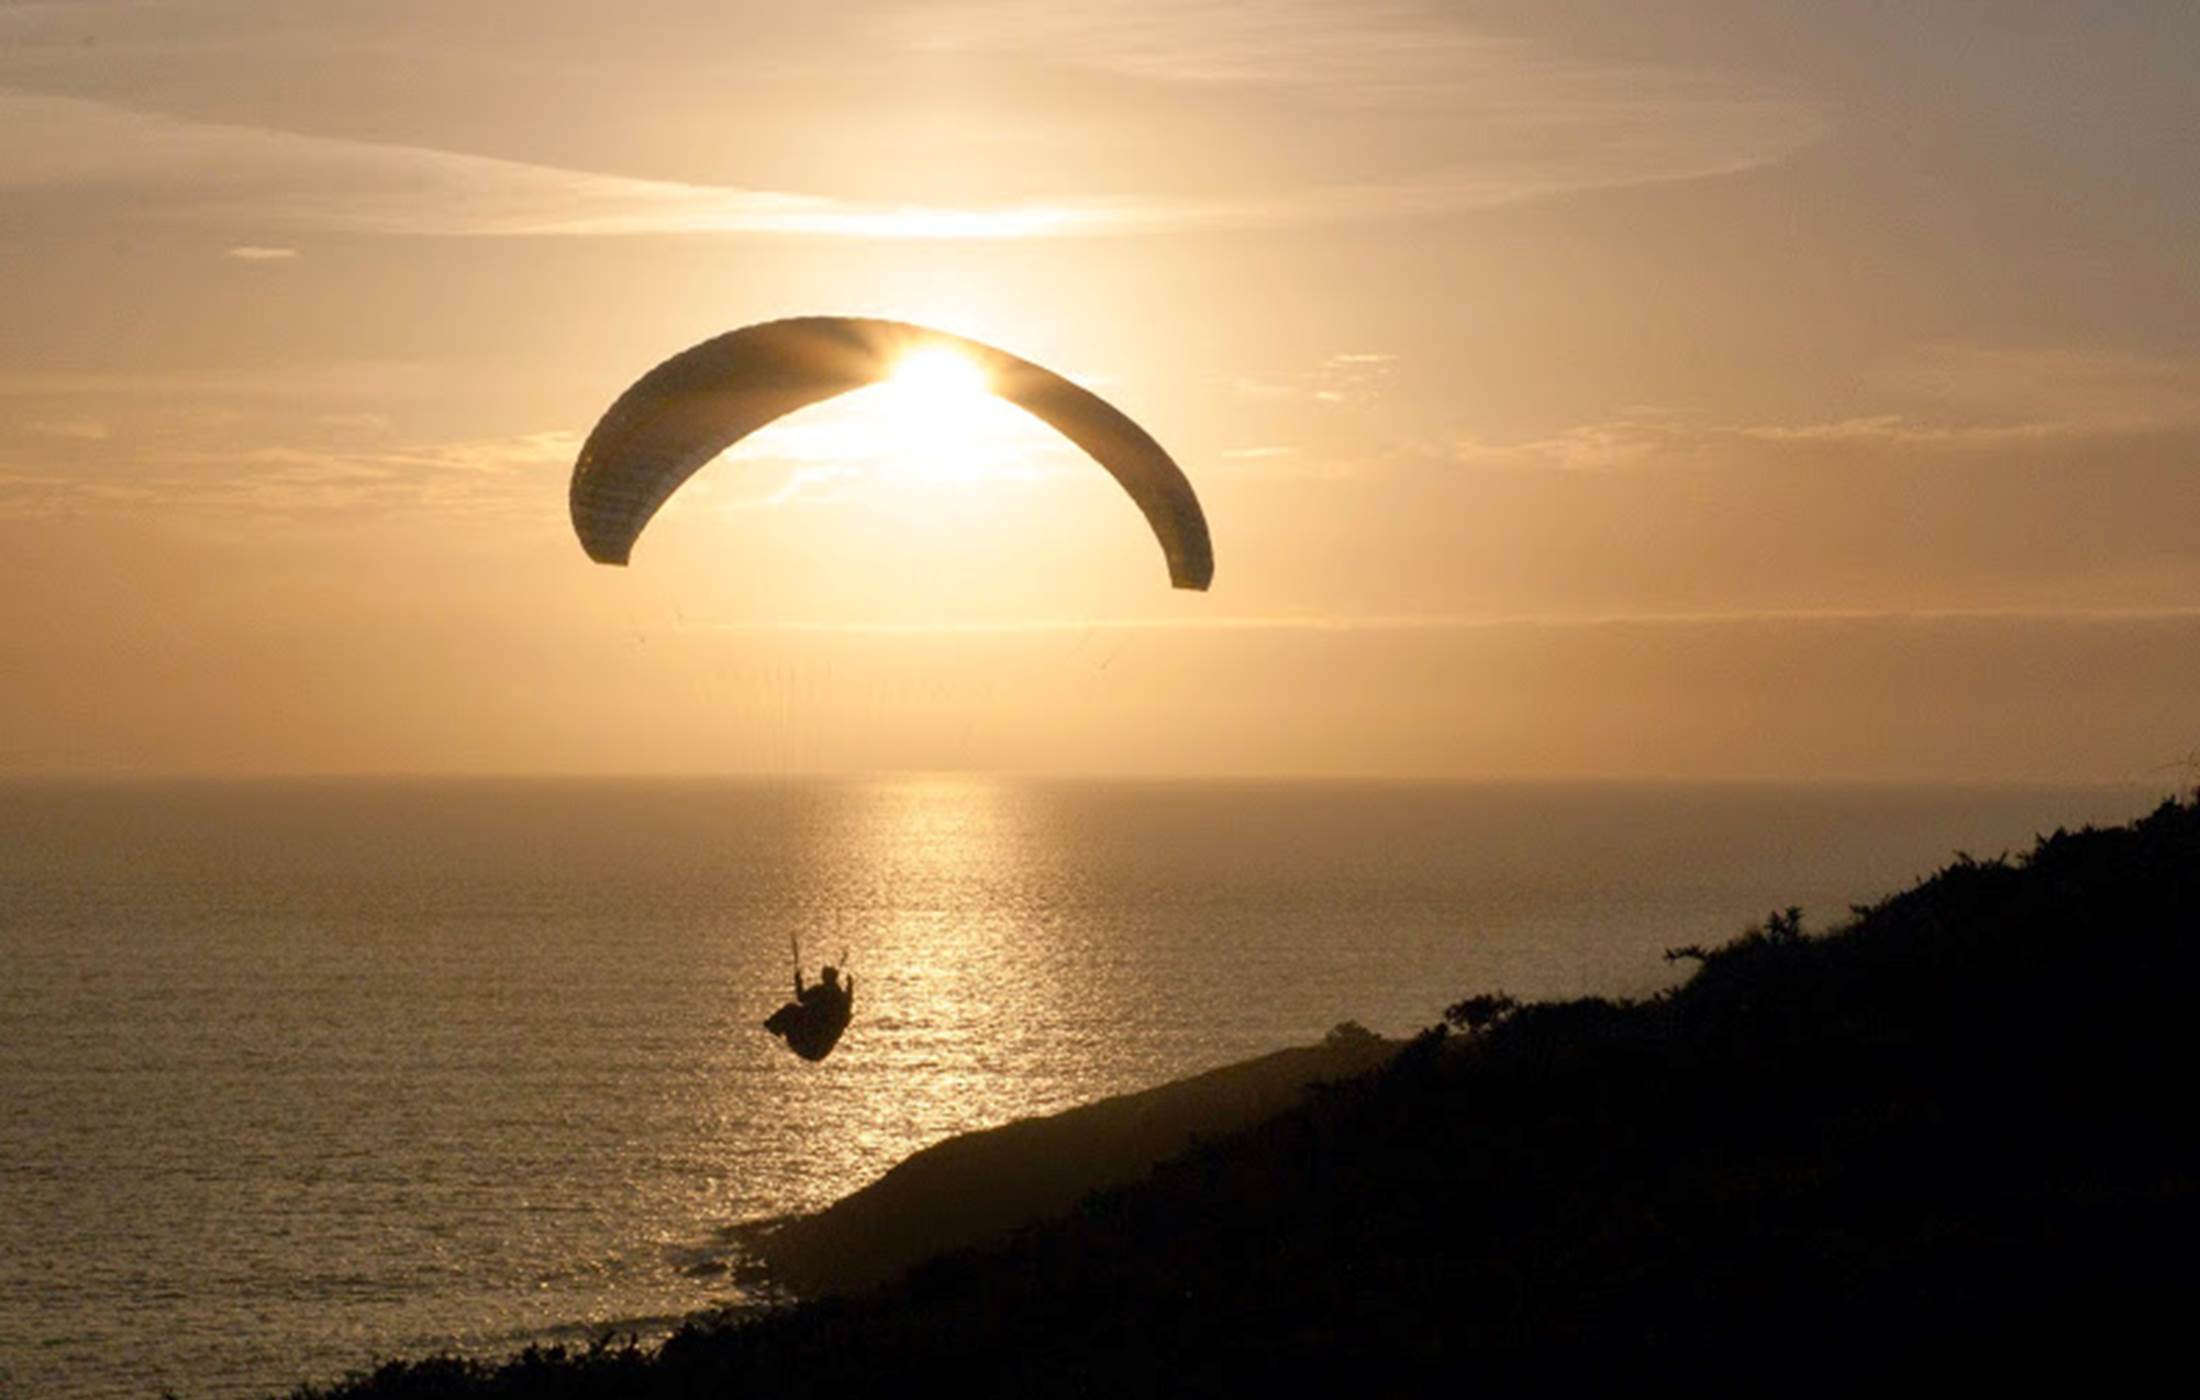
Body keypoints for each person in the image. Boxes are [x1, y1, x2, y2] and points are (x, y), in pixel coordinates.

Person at [765, 957, 855, 1062]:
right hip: (819, 1049)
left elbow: (801, 998)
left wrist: (798, 981)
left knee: (791, 1009)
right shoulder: (839, 997)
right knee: (796, 1010)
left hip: (809, 1043)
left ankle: (773, 1027)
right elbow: (847, 1004)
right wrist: (850, 987)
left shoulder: (823, 992)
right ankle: (774, 1027)